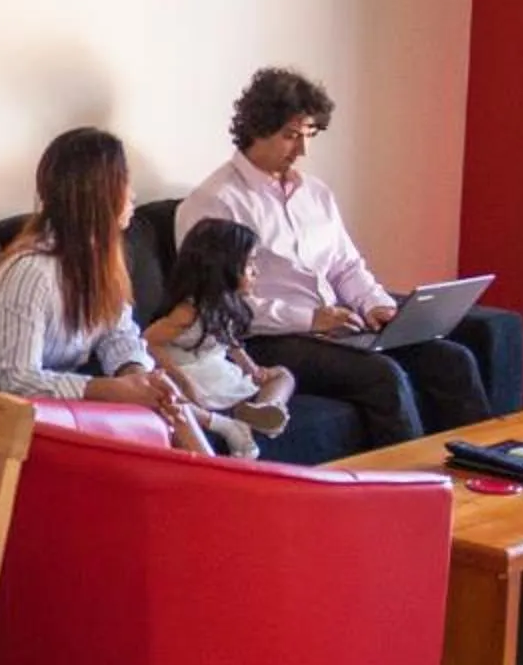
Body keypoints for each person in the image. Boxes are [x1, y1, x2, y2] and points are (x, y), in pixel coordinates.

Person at [176, 66, 489, 449]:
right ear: (256, 129)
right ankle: (408, 493)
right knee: (383, 376)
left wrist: (376, 306)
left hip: (335, 327)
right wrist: (310, 318)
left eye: (308, 136)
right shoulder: (216, 201)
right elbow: (217, 305)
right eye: (290, 136)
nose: (302, 150)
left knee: (452, 360)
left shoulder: (316, 193)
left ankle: (485, 473)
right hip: (268, 339)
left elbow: (346, 265)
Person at [0, 127, 211, 453]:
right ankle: (222, 485)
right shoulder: (30, 272)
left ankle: (223, 485)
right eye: (125, 182)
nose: (133, 195)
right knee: (155, 415)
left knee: (164, 396)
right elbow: (19, 381)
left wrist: (137, 376)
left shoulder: (101, 258)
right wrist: (113, 390)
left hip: (62, 386)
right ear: (99, 193)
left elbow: (118, 334)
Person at [146, 217, 297, 457]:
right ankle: (236, 423)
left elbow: (230, 341)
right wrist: (180, 378)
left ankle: (264, 408)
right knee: (171, 395)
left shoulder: (225, 304)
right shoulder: (188, 311)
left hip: (218, 370)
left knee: (283, 375)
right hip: (191, 373)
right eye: (249, 265)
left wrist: (252, 368)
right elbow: (149, 340)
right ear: (223, 267)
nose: (256, 272)